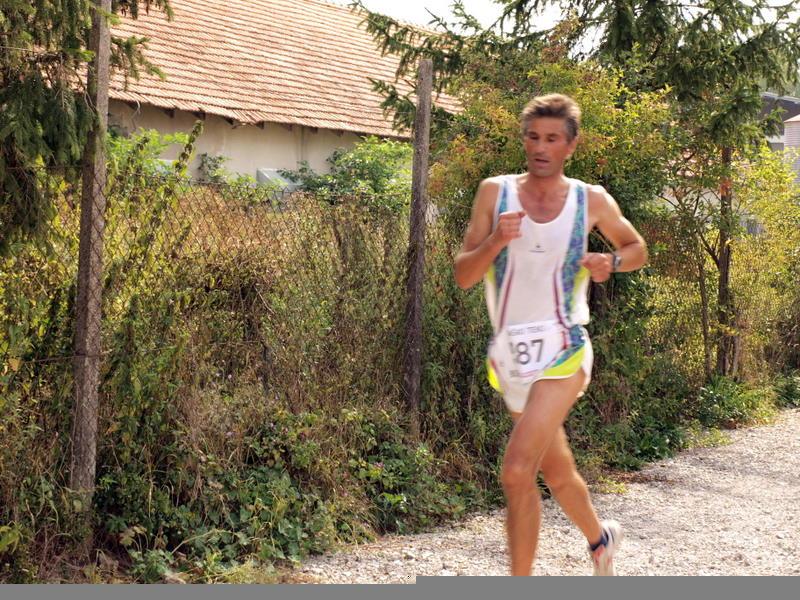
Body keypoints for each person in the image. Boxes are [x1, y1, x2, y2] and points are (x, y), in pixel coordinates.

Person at [454, 93, 648, 576]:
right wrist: (496, 240)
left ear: (570, 145)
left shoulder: (589, 200)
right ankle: (601, 541)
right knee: (556, 472)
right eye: (533, 137)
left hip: (565, 348)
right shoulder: (494, 193)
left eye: (552, 139)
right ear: (524, 139)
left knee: (516, 470)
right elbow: (464, 275)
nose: (541, 147)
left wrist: (611, 261)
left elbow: (636, 248)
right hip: (511, 357)